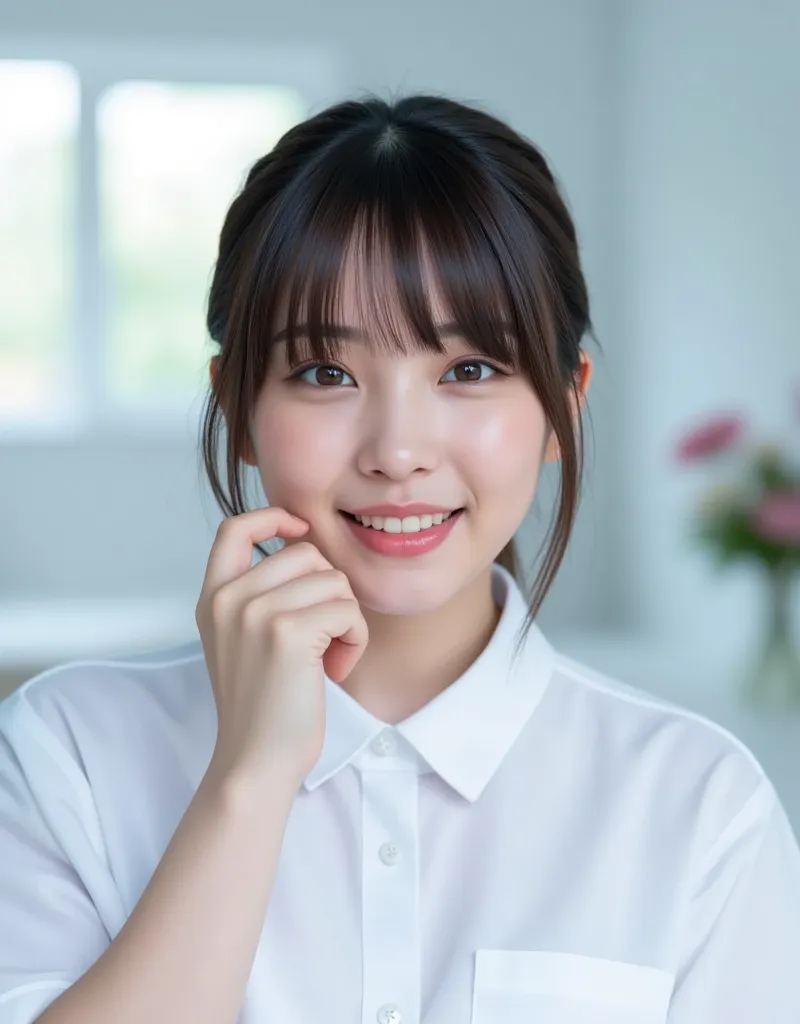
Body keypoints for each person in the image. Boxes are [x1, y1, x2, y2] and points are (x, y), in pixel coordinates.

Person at [1, 93, 799, 1024]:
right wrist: (249, 780)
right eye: (324, 373)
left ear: (564, 404)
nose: (399, 449)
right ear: (238, 406)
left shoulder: (698, 804)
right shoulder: (67, 757)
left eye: (469, 369)